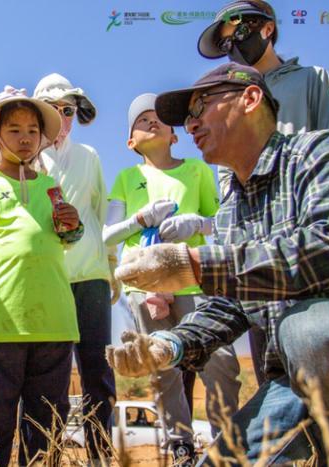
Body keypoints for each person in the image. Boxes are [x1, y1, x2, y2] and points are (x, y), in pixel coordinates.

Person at [105, 62, 329, 466]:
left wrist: (192, 264)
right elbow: (231, 304)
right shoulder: (231, 211)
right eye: (187, 118)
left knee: (309, 326)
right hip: (294, 383)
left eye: (200, 108)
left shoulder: (321, 153)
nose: (190, 126)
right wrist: (167, 345)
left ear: (250, 98)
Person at [197, 0, 329, 385]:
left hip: (304, 224)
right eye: (226, 42)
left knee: (318, 343)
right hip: (257, 233)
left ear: (266, 29)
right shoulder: (225, 97)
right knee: (268, 352)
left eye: (239, 33)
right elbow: (227, 173)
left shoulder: (310, 78)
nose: (234, 45)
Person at [103, 93, 239, 465]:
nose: (151, 122)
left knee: (221, 362)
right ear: (130, 142)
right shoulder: (127, 178)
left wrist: (197, 223)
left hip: (195, 279)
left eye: (159, 117)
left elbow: (221, 222)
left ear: (175, 135)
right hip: (144, 288)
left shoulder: (196, 170)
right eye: (141, 120)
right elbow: (108, 234)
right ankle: (179, 445)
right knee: (163, 368)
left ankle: (226, 440)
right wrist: (139, 220)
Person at [0, 86, 82, 467]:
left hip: (56, 322)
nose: (25, 137)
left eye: (32, 130)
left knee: (46, 421)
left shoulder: (51, 188)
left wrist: (73, 227)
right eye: (14, 130)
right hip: (1, 324)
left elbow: (67, 241)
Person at [28, 73, 116, 465]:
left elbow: (99, 215)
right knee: (51, 377)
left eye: (69, 110)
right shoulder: (26, 159)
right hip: (49, 280)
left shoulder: (90, 157)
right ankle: (46, 455)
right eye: (53, 109)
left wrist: (109, 266)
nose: (63, 118)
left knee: (98, 371)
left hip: (91, 279)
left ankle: (101, 456)